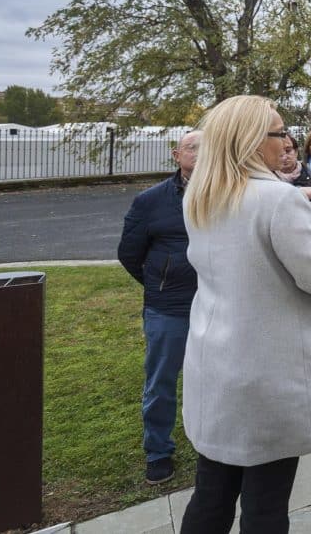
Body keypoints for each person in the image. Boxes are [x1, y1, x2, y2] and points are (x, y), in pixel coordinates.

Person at [178, 96, 311, 533]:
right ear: (253, 140)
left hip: (217, 368)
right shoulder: (277, 202)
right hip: (266, 378)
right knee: (265, 506)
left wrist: (291, 196)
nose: (288, 141)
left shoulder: (202, 194)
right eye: (279, 132)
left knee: (212, 494)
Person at [117, 129, 202, 486]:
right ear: (175, 155)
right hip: (169, 308)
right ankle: (158, 451)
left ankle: (212, 442)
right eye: (192, 147)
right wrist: (161, 282)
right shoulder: (151, 201)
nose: (200, 153)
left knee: (215, 379)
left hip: (217, 304)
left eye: (207, 147)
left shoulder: (228, 194)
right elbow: (129, 254)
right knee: (161, 381)